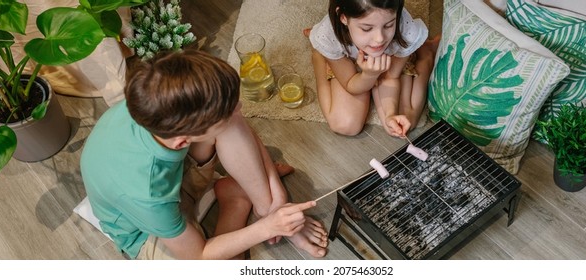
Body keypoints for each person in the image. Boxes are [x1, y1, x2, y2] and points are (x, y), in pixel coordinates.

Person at [80, 49, 328, 260]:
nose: (241, 108)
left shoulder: (153, 97)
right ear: (181, 141)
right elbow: (198, 256)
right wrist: (268, 228)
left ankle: (262, 204)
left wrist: (277, 202)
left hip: (173, 179)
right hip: (148, 233)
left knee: (227, 117)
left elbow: (234, 117)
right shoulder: (147, 193)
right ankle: (236, 201)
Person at [307, 0, 438, 137]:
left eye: (388, 25)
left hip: (391, 58)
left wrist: (390, 114)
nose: (379, 39)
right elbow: (350, 84)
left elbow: (391, 77)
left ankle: (426, 53)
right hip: (348, 61)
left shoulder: (405, 30)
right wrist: (369, 76)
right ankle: (320, 55)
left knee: (401, 125)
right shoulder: (329, 35)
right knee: (345, 125)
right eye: (366, 28)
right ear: (344, 18)